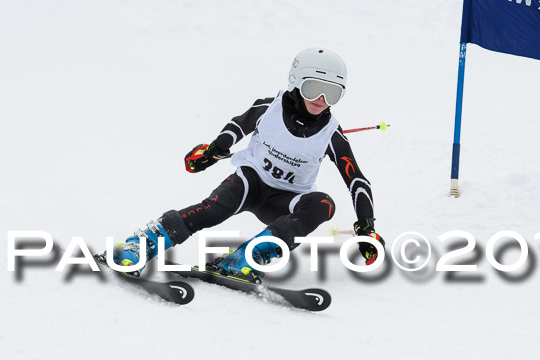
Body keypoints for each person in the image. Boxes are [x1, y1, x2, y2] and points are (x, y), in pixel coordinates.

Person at [113, 48, 385, 283]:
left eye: (332, 94)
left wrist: (366, 227)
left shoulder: (331, 134)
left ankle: (248, 257)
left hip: (287, 200)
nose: (321, 100)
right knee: (215, 209)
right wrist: (214, 150)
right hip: (251, 182)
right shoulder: (270, 108)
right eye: (313, 88)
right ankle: (141, 245)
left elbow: (357, 182)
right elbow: (238, 125)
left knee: (323, 205)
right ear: (296, 81)